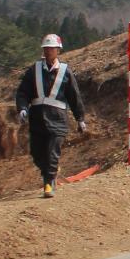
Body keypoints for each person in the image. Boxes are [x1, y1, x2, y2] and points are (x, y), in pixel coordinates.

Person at [15, 33, 87, 197]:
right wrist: (22, 108)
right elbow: (22, 92)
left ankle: (49, 184)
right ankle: (50, 172)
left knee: (52, 153)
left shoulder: (65, 72)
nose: (48, 51)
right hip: (37, 120)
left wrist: (80, 119)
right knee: (36, 153)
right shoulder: (34, 71)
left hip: (58, 121)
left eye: (52, 49)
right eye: (46, 49)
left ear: (58, 50)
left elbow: (74, 97)